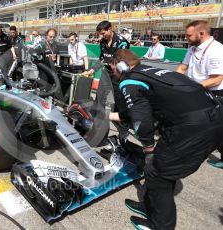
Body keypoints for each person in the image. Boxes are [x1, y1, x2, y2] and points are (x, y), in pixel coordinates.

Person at [109, 49, 223, 229]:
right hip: (214, 117)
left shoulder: (129, 79)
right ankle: (150, 206)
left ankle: (161, 226)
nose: (113, 71)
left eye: (113, 66)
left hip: (194, 127)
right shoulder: (151, 72)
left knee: (157, 172)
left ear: (121, 66)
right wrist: (107, 115)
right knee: (160, 167)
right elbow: (139, 109)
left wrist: (147, 146)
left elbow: (141, 120)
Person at [176, 20, 223, 169]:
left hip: (215, 94)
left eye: (189, 36)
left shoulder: (216, 50)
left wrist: (191, 86)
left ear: (201, 34)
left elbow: (217, 79)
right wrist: (171, 82)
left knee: (218, 129)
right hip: (196, 91)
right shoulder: (193, 48)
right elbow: (183, 68)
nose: (186, 39)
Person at [83, 21, 130, 140]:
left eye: (103, 33)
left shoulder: (121, 42)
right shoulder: (103, 42)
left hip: (119, 74)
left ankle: (123, 132)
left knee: (119, 104)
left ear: (110, 29)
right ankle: (99, 130)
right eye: (100, 34)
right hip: (107, 73)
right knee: (99, 100)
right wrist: (92, 70)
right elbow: (102, 59)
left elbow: (122, 62)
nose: (102, 36)